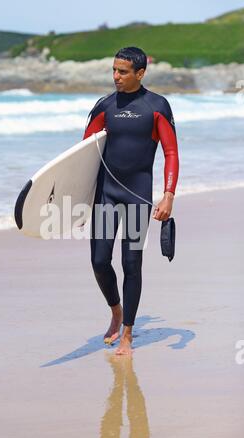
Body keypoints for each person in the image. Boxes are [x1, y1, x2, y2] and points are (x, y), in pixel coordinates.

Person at [83, 46, 179, 355]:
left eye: (123, 72)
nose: (116, 77)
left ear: (140, 73)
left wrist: (168, 194)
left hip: (137, 194)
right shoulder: (104, 106)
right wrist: (77, 202)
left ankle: (127, 333)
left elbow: (171, 153)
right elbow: (83, 157)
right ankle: (116, 310)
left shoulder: (157, 107)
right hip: (106, 194)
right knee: (99, 261)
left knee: (131, 263)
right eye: (113, 70)